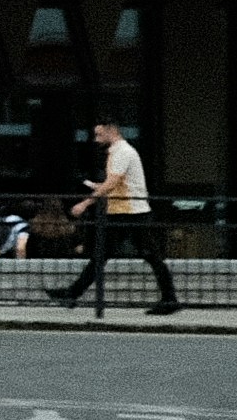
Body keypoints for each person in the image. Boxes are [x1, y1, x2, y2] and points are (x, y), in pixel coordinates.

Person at [50, 116, 178, 314]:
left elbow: (112, 183)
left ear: (112, 130)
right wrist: (93, 186)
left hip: (131, 212)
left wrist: (85, 203)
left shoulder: (122, 152)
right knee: (104, 255)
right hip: (124, 211)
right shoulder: (118, 152)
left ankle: (170, 300)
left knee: (148, 256)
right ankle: (71, 294)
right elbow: (115, 184)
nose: (96, 139)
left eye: (100, 134)